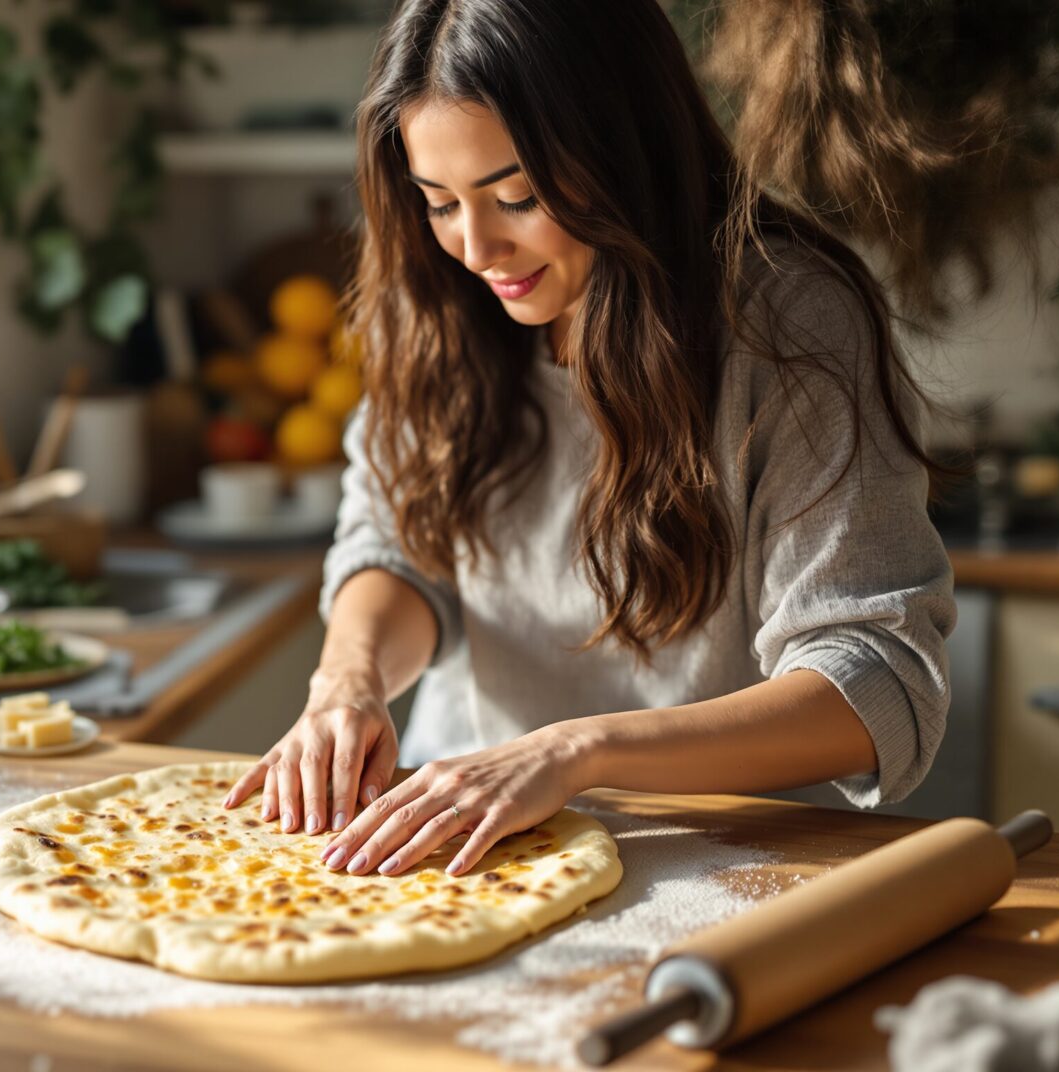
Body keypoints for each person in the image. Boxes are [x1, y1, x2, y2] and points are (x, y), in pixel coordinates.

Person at [222, 0, 957, 879]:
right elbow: (398, 550)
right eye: (439, 204)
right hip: (454, 842)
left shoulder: (790, 324)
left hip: (712, 860)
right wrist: (349, 681)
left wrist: (575, 752)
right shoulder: (437, 302)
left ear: (622, 153)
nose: (478, 248)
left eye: (518, 197)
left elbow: (873, 682)